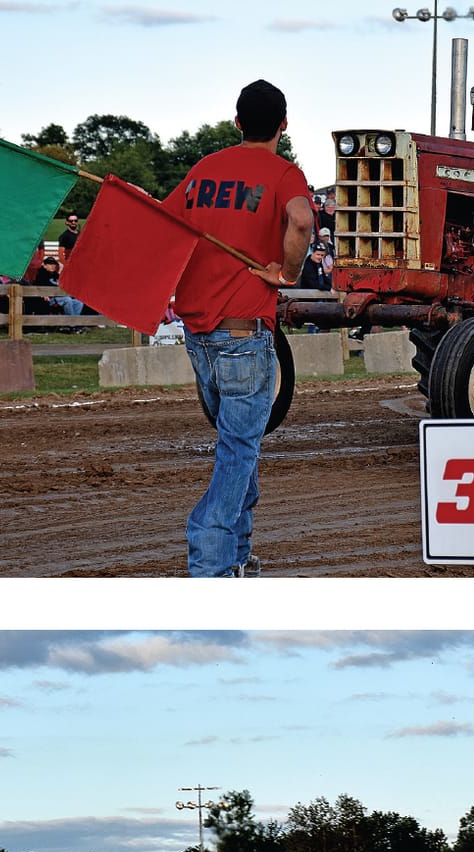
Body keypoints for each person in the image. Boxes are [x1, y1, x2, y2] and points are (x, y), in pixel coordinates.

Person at [168, 78, 314, 578]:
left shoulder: (202, 171)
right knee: (237, 450)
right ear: (283, 124)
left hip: (198, 337)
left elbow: (164, 225)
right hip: (244, 336)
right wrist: (288, 274)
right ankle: (210, 561)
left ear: (236, 123)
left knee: (239, 443)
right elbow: (301, 221)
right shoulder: (284, 174)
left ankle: (238, 555)